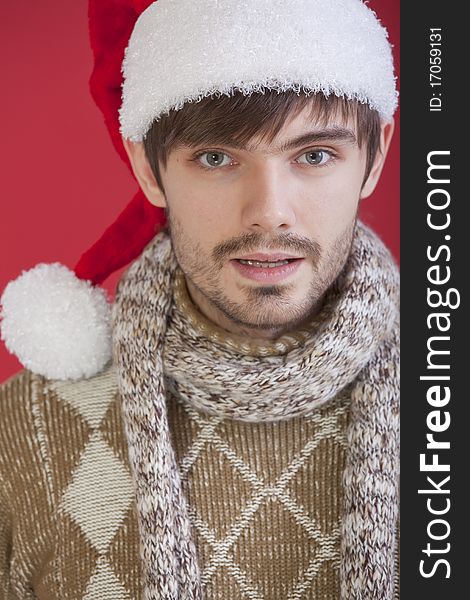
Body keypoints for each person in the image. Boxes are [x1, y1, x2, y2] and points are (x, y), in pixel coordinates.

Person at [0, 1, 399, 599]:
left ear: (375, 156)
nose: (269, 211)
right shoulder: (27, 424)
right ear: (147, 166)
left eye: (314, 156)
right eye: (216, 158)